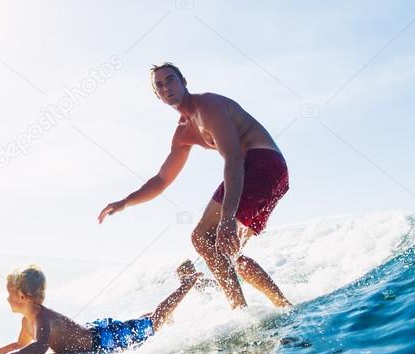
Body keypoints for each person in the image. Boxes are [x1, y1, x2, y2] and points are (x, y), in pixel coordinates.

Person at [97, 63, 292, 310]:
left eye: (171, 80)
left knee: (202, 237)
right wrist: (125, 202)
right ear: (157, 95)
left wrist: (228, 217)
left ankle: (239, 311)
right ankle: (284, 308)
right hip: (269, 172)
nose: (167, 87)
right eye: (159, 85)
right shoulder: (182, 134)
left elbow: (234, 158)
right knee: (229, 253)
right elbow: (161, 180)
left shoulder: (208, 107)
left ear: (183, 81)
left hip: (262, 164)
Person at [0, 264, 198, 354]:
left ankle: (187, 283)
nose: (7, 298)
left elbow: (39, 348)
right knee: (139, 323)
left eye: (9, 293)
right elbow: (20, 344)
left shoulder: (41, 318)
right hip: (89, 330)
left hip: (102, 339)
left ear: (22, 296)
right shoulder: (26, 321)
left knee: (154, 323)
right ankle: (150, 315)